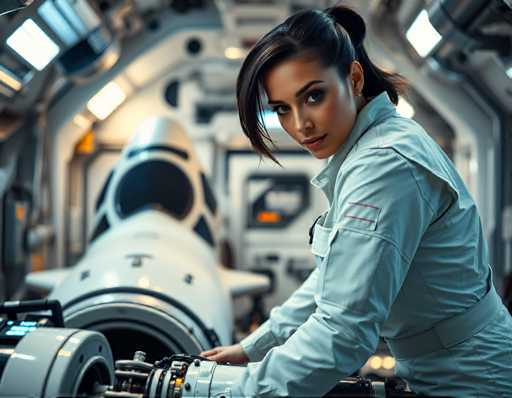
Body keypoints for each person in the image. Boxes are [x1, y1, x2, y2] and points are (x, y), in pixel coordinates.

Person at [201, 5, 512, 397]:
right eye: (282, 108)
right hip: (447, 366)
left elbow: (344, 331)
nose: (300, 125)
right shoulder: (366, 149)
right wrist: (252, 348)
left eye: (313, 96)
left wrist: (236, 393)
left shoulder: (384, 164)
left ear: (354, 77)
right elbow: (335, 277)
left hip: (473, 377)